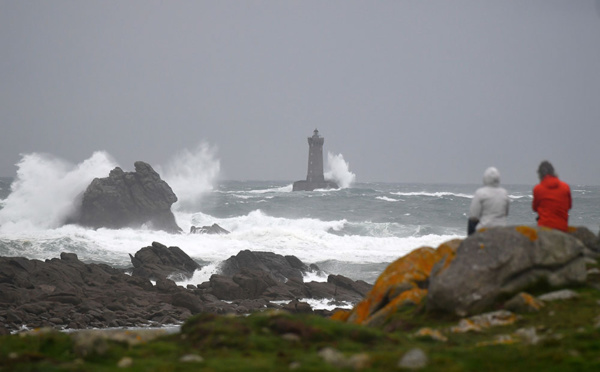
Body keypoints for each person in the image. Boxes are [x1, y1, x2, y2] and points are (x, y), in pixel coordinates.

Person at [468, 167, 510, 235]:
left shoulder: (480, 193)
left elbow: (474, 216)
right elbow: (506, 213)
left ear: (485, 178)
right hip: (501, 228)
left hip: (485, 228)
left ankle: (470, 241)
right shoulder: (504, 193)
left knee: (471, 220)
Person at [532, 160, 571, 232]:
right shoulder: (565, 187)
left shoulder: (538, 189)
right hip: (562, 227)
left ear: (540, 174)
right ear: (553, 172)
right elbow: (569, 206)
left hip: (544, 227)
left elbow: (534, 208)